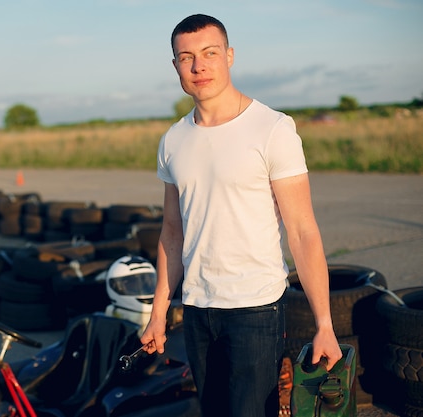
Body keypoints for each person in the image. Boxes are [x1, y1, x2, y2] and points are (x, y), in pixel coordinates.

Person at [139, 14, 342, 416]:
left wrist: (325, 324)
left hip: (256, 308)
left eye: (210, 53)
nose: (199, 67)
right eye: (186, 57)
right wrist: (159, 311)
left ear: (229, 56)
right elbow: (172, 231)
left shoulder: (272, 128)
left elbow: (302, 231)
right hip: (197, 308)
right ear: (176, 66)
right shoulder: (173, 140)